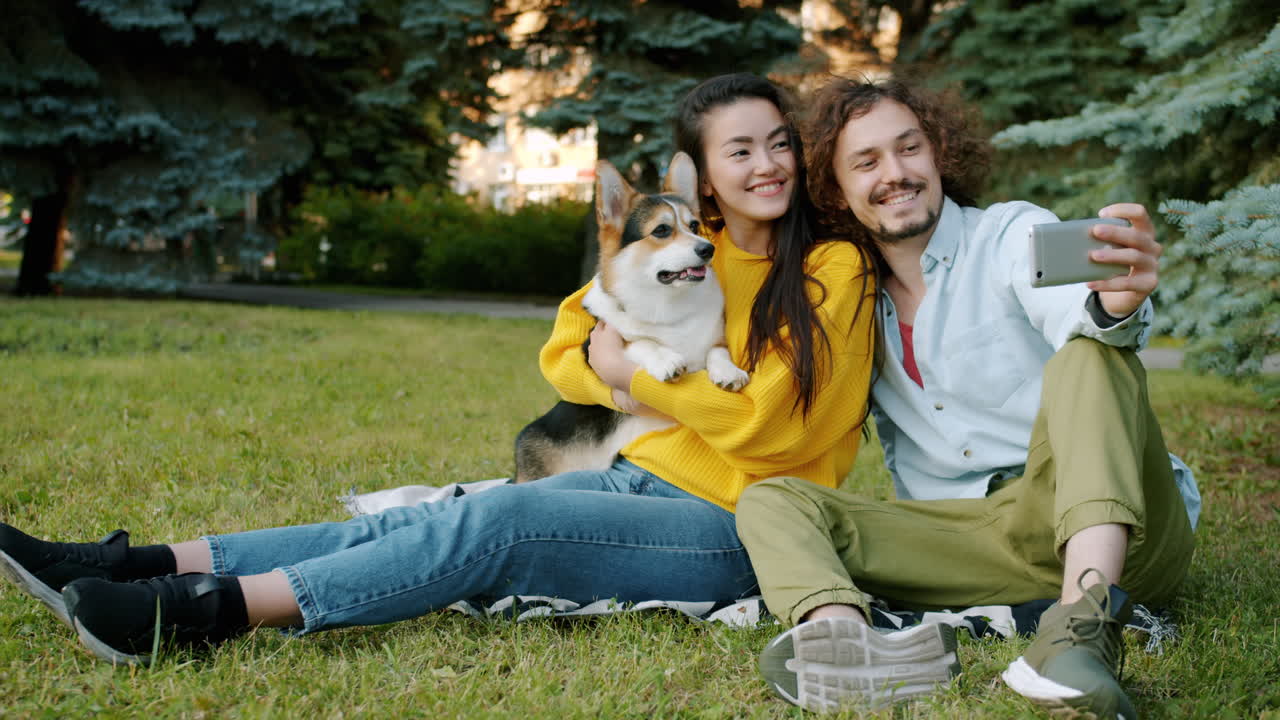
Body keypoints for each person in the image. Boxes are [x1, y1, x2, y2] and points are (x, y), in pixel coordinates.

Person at [0, 73, 877, 665]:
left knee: (484, 533)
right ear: (705, 182)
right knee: (436, 521)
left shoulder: (832, 268)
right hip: (637, 477)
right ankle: (135, 562)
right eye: (740, 151)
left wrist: (633, 380)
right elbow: (571, 340)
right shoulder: (688, 246)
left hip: (743, 528)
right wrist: (612, 374)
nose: (767, 165)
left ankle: (199, 613)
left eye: (778, 144)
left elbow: (776, 425)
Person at [734, 75, 1200, 718]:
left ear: (939, 154)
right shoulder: (845, 301)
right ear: (835, 191)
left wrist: (1109, 306)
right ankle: (846, 640)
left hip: (1113, 520)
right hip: (974, 541)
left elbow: (1078, 308)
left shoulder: (1009, 235)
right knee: (772, 500)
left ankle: (1082, 628)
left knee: (1089, 354)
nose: (895, 173)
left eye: (909, 149)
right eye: (865, 162)